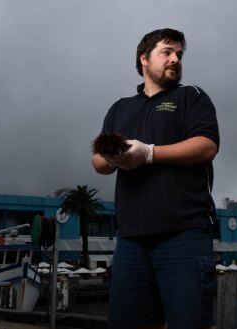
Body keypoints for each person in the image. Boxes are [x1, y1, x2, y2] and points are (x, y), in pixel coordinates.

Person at [92, 28, 220, 329]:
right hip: (130, 240)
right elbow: (97, 160)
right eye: (167, 52)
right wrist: (114, 158)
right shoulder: (120, 108)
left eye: (179, 54)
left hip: (184, 234)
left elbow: (207, 145)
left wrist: (149, 153)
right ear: (144, 59)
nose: (175, 59)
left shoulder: (191, 96)